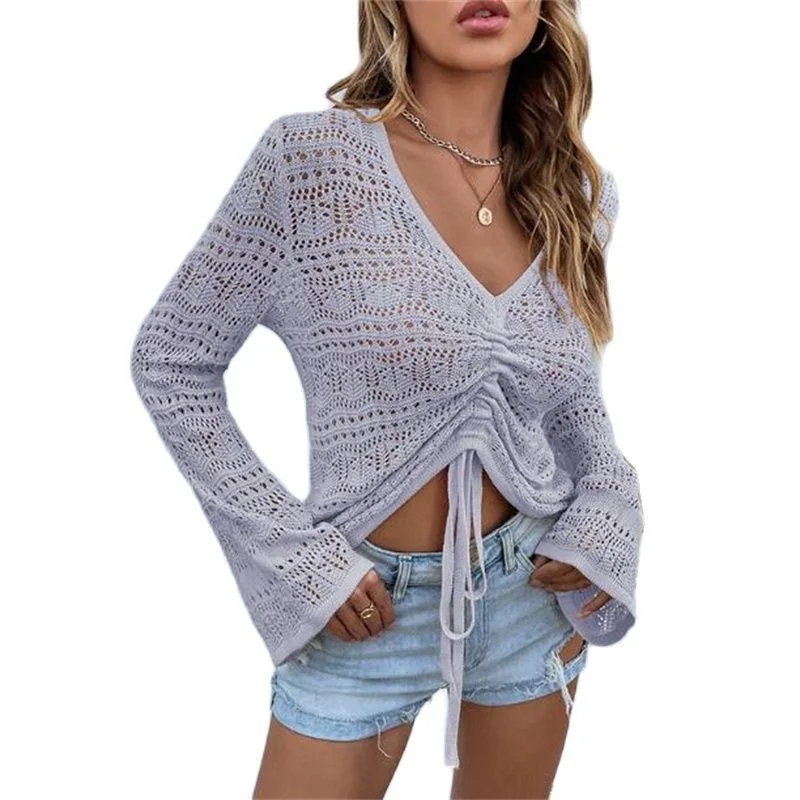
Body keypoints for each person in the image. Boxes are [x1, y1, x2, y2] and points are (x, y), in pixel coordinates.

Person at [129, 1, 645, 797]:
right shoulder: (311, 164)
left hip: (529, 598)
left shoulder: (575, 193)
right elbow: (171, 360)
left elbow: (568, 397)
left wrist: (609, 502)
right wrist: (294, 554)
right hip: (361, 610)